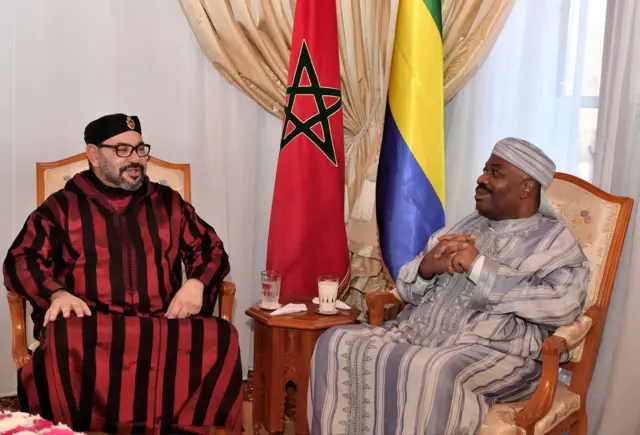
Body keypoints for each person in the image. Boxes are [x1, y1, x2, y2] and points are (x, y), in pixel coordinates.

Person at [308, 138, 590, 435]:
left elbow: (563, 304)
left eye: (496, 173)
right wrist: (428, 268)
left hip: (501, 353)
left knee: (432, 371)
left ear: (526, 188)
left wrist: (479, 266)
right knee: (337, 341)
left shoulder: (554, 241)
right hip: (422, 335)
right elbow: (406, 288)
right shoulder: (467, 225)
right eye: (484, 170)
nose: (482, 179)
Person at [3, 114, 243, 434]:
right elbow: (22, 257)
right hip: (93, 323)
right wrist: (56, 294)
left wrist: (197, 283)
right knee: (63, 336)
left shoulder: (168, 202)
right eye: (122, 150)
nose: (135, 159)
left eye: (139, 149)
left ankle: (186, 428)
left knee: (221, 335)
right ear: (93, 153)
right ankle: (70, 429)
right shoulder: (62, 206)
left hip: (161, 322)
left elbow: (211, 249)